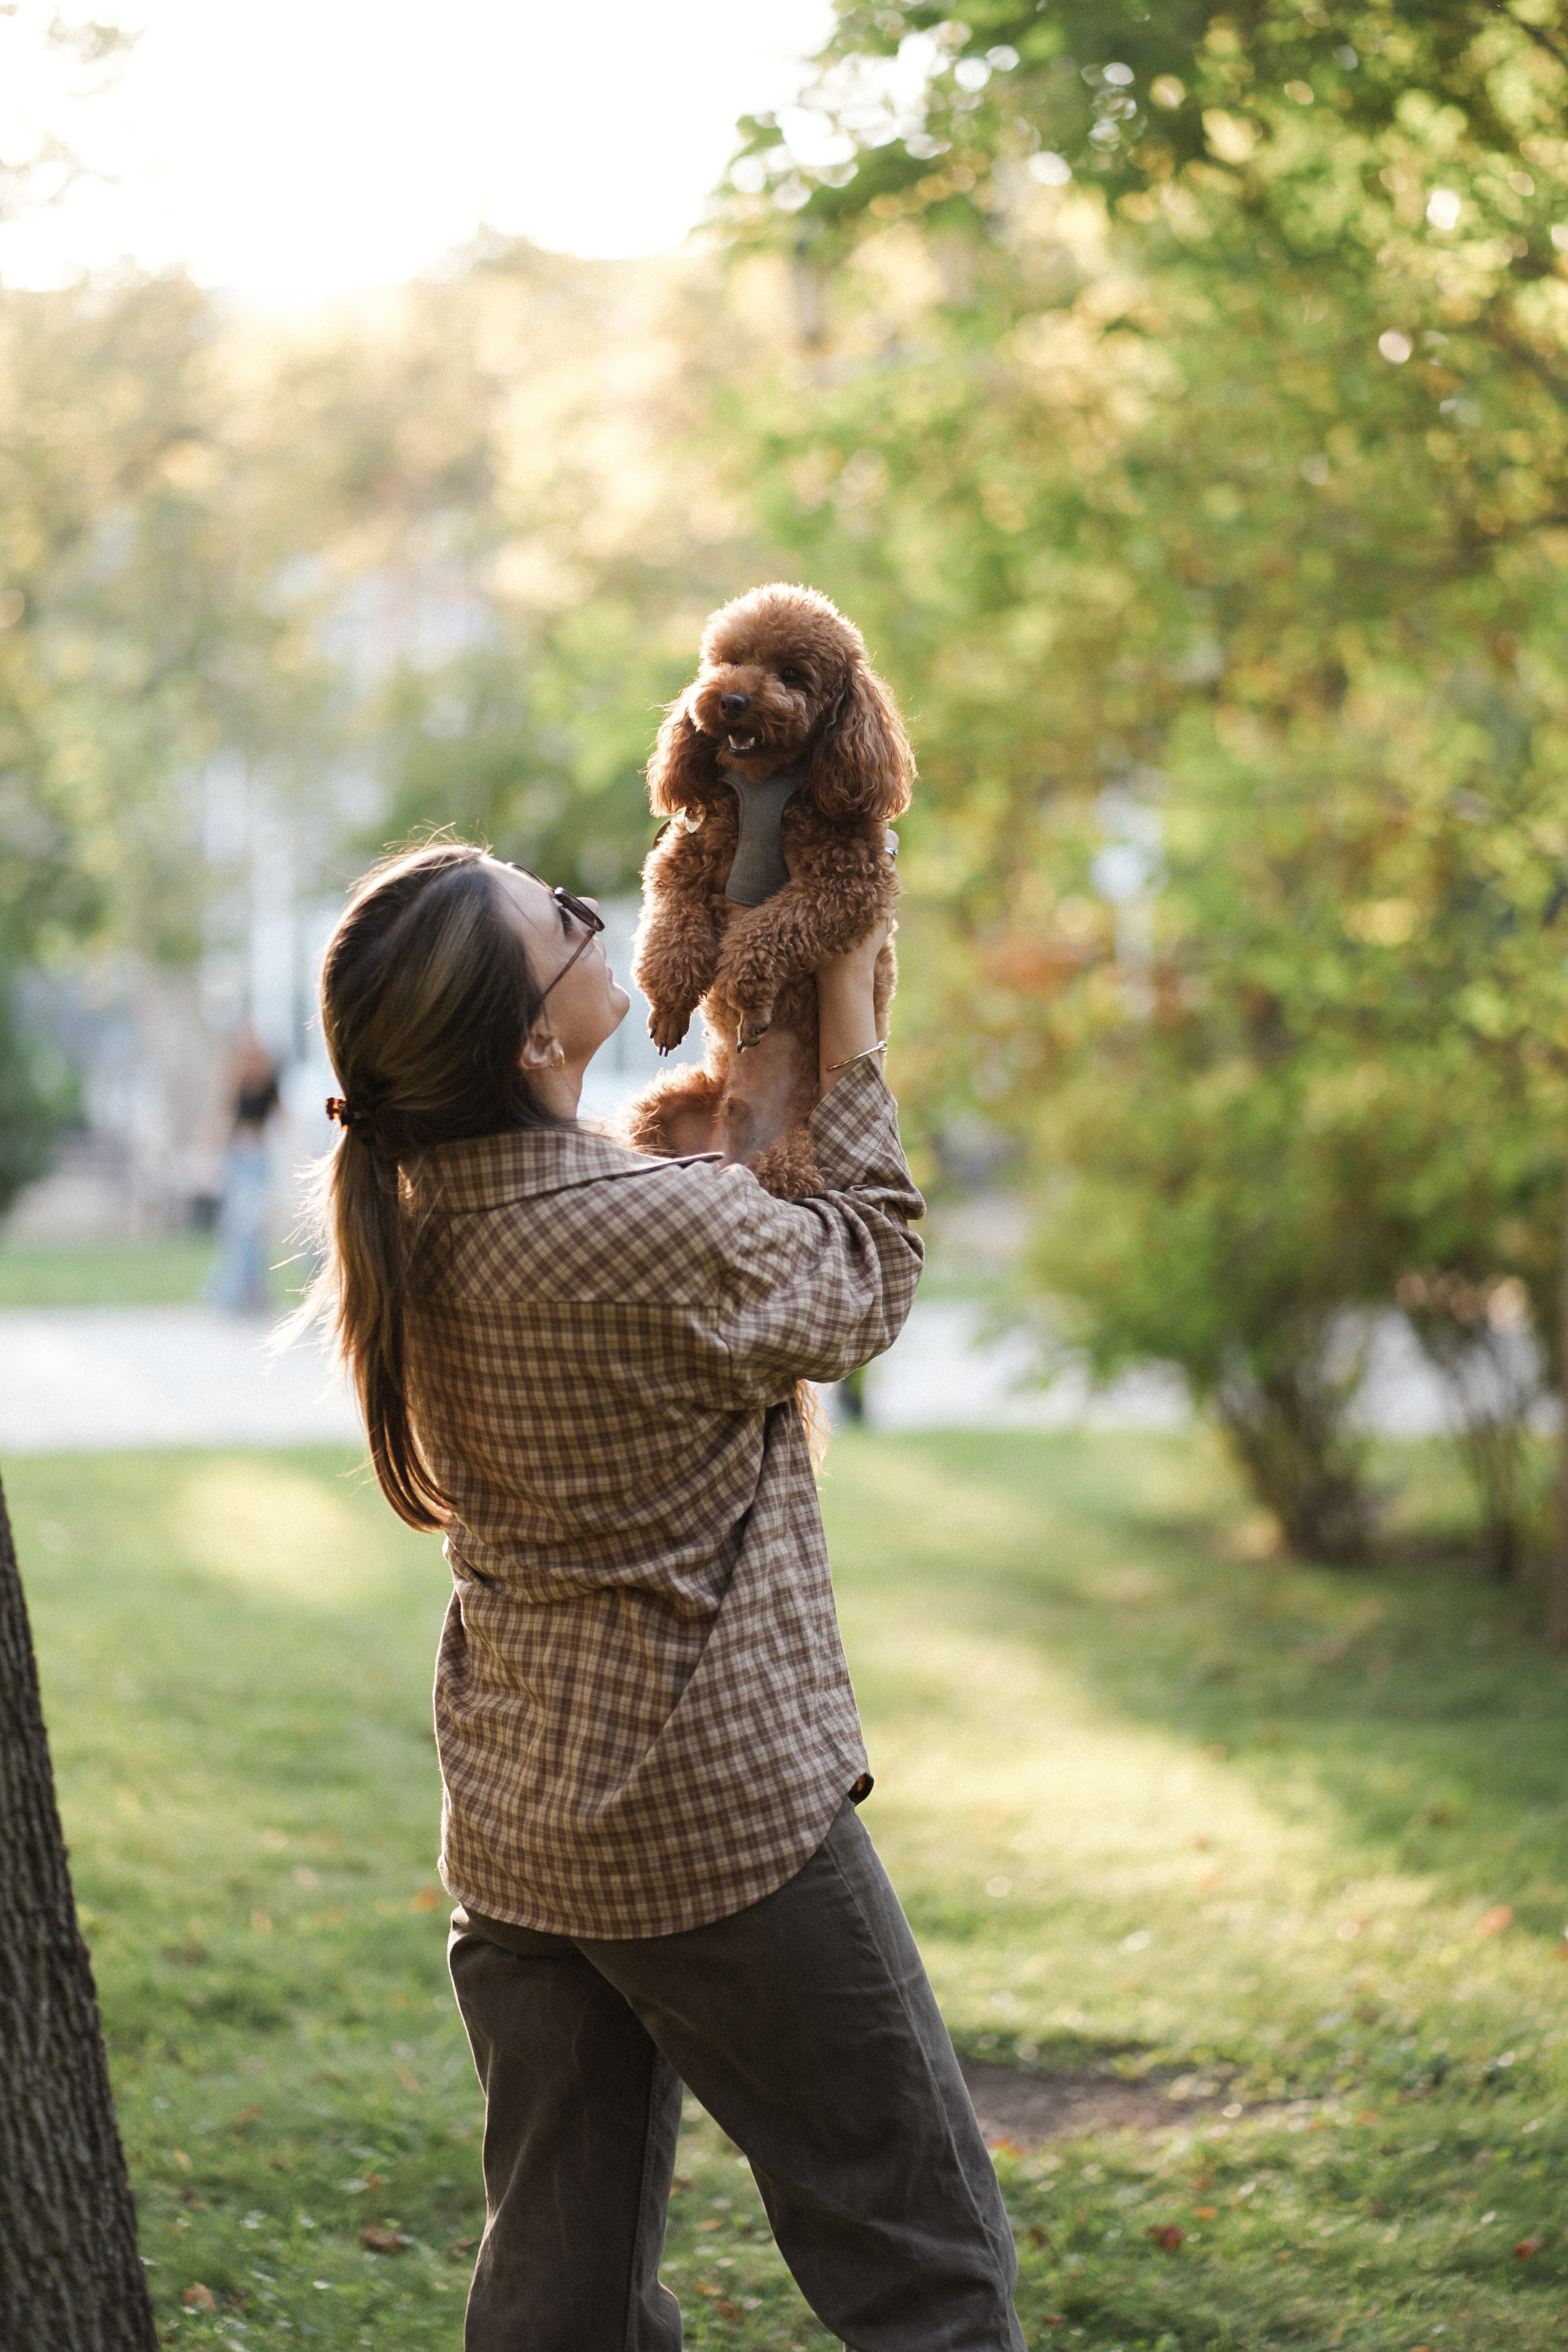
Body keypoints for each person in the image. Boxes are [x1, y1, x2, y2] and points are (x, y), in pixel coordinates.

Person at [300, 838, 1025, 2352]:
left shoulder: (416, 1220)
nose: (593, 915)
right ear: (529, 1035)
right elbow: (869, 1268)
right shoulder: (639, 1229)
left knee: (555, 2299)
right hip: (720, 1832)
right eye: (561, 920)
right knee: (923, 2257)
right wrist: (848, 1014)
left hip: (519, 1836)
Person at [205, 1028, 281, 1314]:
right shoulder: (236, 1083)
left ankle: (254, 1292)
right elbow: (223, 1119)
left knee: (253, 1228)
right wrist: (211, 1158)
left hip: (259, 1159)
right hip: (238, 1159)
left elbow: (282, 1119)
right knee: (238, 1227)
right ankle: (234, 1293)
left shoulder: (269, 1083)